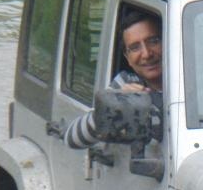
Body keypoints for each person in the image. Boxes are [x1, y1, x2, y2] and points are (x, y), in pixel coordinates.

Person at [64, 10, 162, 148]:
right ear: (127, 58)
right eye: (135, 48)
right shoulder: (126, 82)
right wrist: (117, 104)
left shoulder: (190, 81)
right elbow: (72, 139)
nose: (146, 54)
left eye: (153, 41)